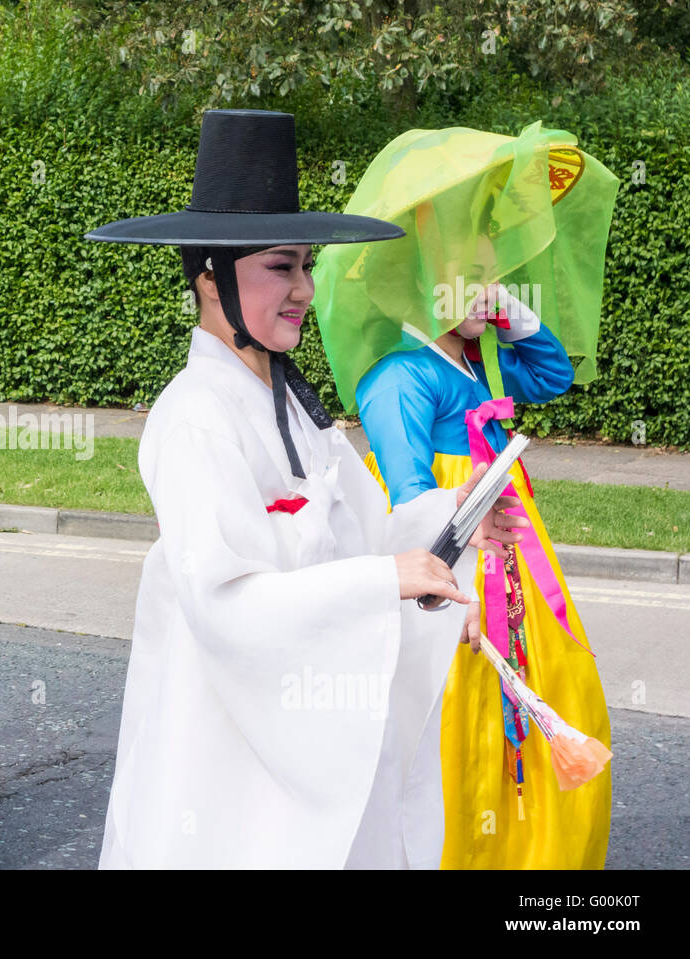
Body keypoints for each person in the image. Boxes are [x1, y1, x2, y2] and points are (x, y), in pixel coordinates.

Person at [84, 109, 527, 868]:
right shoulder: (193, 417)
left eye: (307, 266)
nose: (305, 289)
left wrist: (445, 520)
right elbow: (225, 602)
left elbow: (357, 533)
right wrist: (385, 580)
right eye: (281, 267)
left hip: (305, 718)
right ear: (211, 280)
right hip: (227, 735)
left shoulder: (293, 403)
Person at [313, 126, 617, 868]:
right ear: (424, 283)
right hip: (460, 565)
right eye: (470, 275)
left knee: (544, 679)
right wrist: (458, 583)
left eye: (493, 272)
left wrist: (517, 319)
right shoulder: (399, 378)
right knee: (466, 702)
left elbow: (549, 377)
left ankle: (525, 846)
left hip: (511, 551)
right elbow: (411, 502)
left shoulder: (477, 361)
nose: (490, 286)